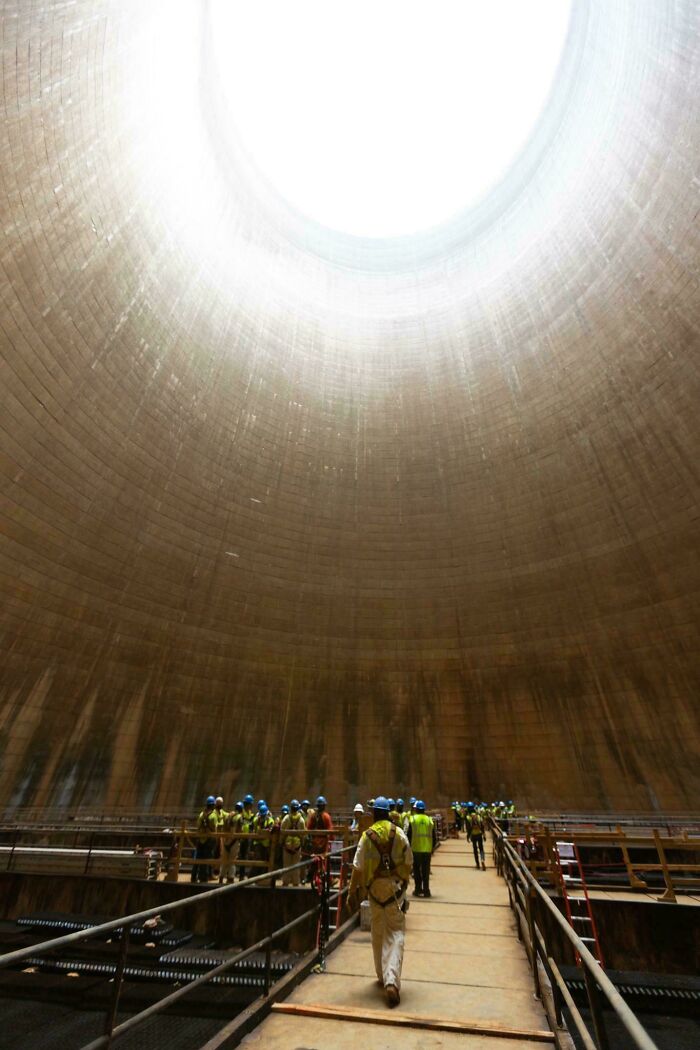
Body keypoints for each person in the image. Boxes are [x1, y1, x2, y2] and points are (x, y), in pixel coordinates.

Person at [348, 796, 413, 1008]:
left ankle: (381, 975)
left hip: (374, 891)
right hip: (394, 891)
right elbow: (409, 861)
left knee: (377, 932)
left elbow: (357, 868)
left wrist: (351, 892)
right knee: (395, 933)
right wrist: (403, 882)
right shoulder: (399, 834)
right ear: (389, 812)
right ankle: (391, 980)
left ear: (374, 814)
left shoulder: (367, 837)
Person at [407, 799, 436, 897]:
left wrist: (408, 848)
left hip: (416, 849)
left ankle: (418, 889)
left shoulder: (413, 819)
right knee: (426, 871)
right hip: (427, 849)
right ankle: (427, 890)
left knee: (416, 870)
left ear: (415, 809)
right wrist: (432, 848)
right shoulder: (429, 820)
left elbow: (409, 835)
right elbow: (434, 836)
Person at [280, 799, 306, 885]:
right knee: (296, 866)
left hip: (287, 846)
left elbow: (282, 832)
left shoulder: (286, 818)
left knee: (286, 866)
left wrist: (281, 842)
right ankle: (295, 883)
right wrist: (302, 843)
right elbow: (303, 834)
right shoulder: (301, 820)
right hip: (297, 846)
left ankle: (285, 882)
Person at [192, 796, 218, 883]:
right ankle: (204, 878)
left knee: (198, 858)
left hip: (200, 840)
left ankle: (194, 877)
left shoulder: (201, 814)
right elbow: (214, 829)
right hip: (209, 840)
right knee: (207, 860)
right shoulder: (213, 815)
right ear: (213, 805)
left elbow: (198, 826)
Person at [220, 801, 243, 883]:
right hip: (234, 841)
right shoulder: (239, 817)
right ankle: (230, 878)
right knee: (232, 860)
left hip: (225, 841)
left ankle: (221, 877)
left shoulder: (227, 816)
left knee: (224, 860)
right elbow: (240, 830)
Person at [238, 793, 256, 880]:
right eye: (250, 804)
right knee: (241, 855)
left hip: (247, 837)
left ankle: (242, 874)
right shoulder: (241, 812)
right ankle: (240, 875)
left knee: (244, 856)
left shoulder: (250, 813)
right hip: (241, 838)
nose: (251, 806)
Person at [466, 802, 486, 869]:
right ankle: (482, 860)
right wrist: (484, 834)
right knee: (481, 849)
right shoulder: (478, 816)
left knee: (475, 850)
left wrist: (468, 837)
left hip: (473, 835)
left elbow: (468, 829)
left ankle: (477, 864)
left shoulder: (468, 817)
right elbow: (482, 826)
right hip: (479, 834)